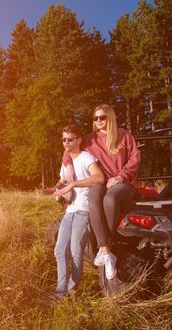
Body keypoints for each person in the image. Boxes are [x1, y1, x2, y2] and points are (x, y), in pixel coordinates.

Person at [61, 104, 139, 280]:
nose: (98, 121)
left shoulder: (124, 135)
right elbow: (69, 148)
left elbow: (134, 160)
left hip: (122, 182)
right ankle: (106, 252)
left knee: (110, 199)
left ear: (110, 117)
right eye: (95, 118)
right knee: (94, 200)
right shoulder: (89, 139)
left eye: (102, 117)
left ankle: (105, 244)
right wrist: (68, 165)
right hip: (101, 181)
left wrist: (120, 177)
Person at [43, 124, 104, 298]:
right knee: (60, 250)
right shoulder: (66, 161)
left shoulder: (86, 157)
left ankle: (71, 289)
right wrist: (52, 188)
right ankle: (61, 291)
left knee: (76, 251)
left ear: (78, 140)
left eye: (70, 139)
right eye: (63, 139)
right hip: (69, 211)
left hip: (83, 210)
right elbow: (62, 180)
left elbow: (99, 178)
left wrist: (75, 184)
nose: (66, 142)